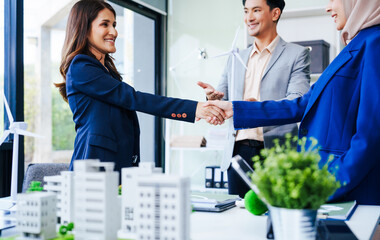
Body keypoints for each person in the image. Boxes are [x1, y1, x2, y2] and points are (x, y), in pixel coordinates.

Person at [206, 0, 380, 205]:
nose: (328, 7)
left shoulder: (374, 43)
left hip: (342, 184)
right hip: (248, 151)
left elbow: (372, 133)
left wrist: (323, 185)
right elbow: (304, 104)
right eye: (246, 11)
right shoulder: (355, 45)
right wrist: (234, 108)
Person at [55, 0, 225, 174]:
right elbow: (134, 98)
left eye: (114, 24)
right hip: (94, 167)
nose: (114, 31)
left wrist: (204, 106)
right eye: (104, 24)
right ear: (84, 28)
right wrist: (195, 109)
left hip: (117, 164)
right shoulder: (81, 66)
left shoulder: (106, 72)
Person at [198, 0, 311, 197]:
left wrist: (255, 108)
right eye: (246, 11)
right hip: (237, 152)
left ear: (275, 13)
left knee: (275, 219)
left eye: (256, 10)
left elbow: (298, 100)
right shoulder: (235, 56)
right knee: (238, 219)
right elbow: (223, 94)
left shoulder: (297, 54)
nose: (249, 18)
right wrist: (213, 97)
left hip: (276, 154)